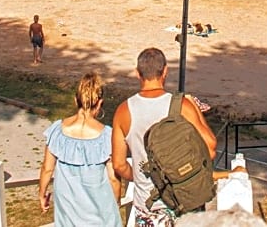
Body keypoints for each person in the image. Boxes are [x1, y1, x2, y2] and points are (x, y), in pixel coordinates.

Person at [111, 48, 217, 226]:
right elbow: (210, 149)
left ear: (138, 73)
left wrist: (139, 176)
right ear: (165, 71)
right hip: (186, 201)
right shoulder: (182, 105)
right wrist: (196, 109)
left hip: (148, 208)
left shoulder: (123, 111)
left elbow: (119, 165)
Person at [39, 72, 121, 226]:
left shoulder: (57, 131)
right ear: (100, 103)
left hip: (68, 216)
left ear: (75, 99)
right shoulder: (107, 137)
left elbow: (47, 169)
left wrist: (42, 193)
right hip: (100, 216)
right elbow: (113, 178)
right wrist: (116, 202)